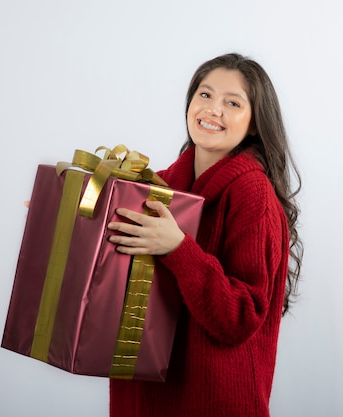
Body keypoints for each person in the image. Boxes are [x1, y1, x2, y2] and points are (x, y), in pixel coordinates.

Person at [106, 52, 303, 417]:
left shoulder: (252, 195)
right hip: (142, 397)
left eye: (232, 102)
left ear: (255, 123)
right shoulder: (162, 186)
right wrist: (64, 217)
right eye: (205, 95)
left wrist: (179, 249)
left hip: (211, 401)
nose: (213, 110)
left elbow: (240, 318)